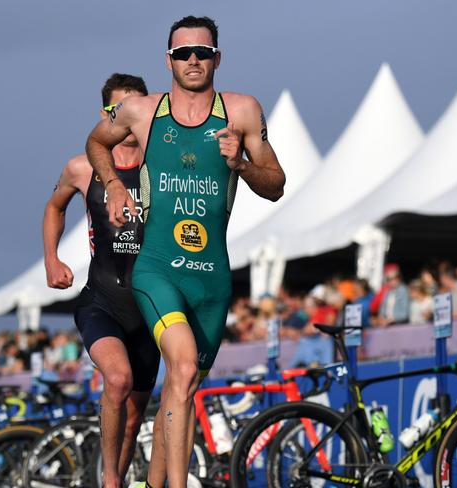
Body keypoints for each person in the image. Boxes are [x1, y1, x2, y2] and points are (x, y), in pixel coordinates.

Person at [86, 16, 285, 488]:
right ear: (168, 60)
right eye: (182, 53)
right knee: (179, 364)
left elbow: (275, 184)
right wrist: (113, 184)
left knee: (185, 385)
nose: (192, 60)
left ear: (217, 57)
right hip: (157, 269)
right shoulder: (140, 110)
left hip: (211, 278)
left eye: (202, 52)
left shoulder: (241, 111)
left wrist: (240, 162)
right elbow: (97, 140)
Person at [43, 73, 159, 488]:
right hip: (103, 301)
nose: (126, 117)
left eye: (135, 106)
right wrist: (51, 259)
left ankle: (119, 477)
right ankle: (109, 481)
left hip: (151, 306)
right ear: (105, 114)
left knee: (133, 418)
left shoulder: (158, 164)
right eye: (117, 109)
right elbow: (54, 207)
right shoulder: (82, 167)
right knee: (117, 379)